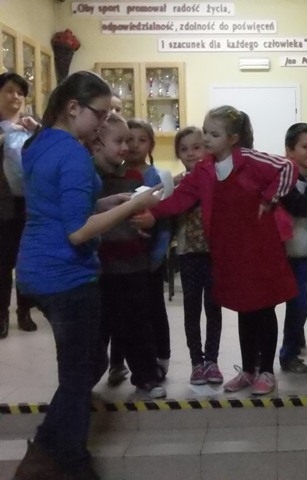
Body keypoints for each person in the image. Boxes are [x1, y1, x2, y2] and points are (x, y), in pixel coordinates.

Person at [13, 71, 162, 480]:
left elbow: (60, 206)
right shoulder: (75, 155)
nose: (104, 122)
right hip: (65, 274)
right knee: (79, 374)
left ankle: (50, 452)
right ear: (73, 107)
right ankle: (64, 459)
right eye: (101, 113)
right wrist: (133, 206)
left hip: (35, 267)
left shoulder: (40, 142)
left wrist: (106, 202)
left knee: (87, 363)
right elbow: (77, 231)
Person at [132, 105, 298, 396]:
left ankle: (267, 372)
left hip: (260, 249)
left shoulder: (249, 159)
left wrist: (269, 198)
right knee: (245, 309)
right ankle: (249, 370)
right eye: (205, 131)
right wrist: (154, 213)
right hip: (230, 250)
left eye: (214, 134)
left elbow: (288, 168)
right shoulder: (204, 169)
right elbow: (181, 198)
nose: (206, 139)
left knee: (263, 308)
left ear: (233, 138)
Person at [94, 114, 167, 399]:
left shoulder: (134, 177)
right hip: (99, 267)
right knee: (98, 327)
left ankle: (146, 376)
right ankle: (84, 380)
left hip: (132, 264)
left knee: (138, 324)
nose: (126, 147)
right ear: (97, 143)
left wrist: (146, 222)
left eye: (128, 140)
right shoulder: (89, 178)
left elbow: (145, 216)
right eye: (119, 141)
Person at [173, 126, 223, 385]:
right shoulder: (177, 183)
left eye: (196, 147)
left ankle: (212, 361)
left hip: (214, 254)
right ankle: (196, 362)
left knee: (214, 308)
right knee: (191, 310)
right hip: (188, 254)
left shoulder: (217, 179)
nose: (191, 153)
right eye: (184, 149)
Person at [125, 118, 173, 379]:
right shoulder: (114, 175)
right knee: (128, 312)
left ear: (151, 145)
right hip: (122, 259)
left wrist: (157, 256)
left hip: (150, 257)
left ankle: (161, 357)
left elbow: (166, 223)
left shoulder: (159, 177)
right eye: (128, 140)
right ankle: (121, 362)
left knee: (154, 308)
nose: (134, 145)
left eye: (141, 140)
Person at [278, 123, 307, 374]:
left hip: (304, 255)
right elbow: (303, 208)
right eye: (305, 146)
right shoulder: (286, 180)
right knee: (294, 306)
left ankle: (294, 346)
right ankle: (287, 355)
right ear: (289, 150)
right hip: (283, 255)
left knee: (301, 305)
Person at [0, 72, 37, 338]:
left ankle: (24, 311)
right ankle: (1, 315)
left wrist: (35, 132)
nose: (15, 96)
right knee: (2, 263)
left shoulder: (31, 125)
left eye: (20, 93)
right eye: (9, 90)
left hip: (30, 204)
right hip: (2, 204)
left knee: (26, 260)